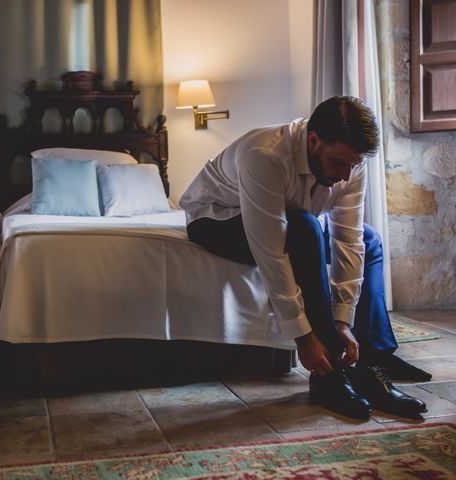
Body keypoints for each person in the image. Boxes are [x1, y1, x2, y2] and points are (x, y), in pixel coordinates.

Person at [180, 96, 431, 420]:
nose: (344, 175)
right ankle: (329, 379)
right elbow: (270, 251)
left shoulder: (351, 162)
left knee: (369, 240)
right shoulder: (264, 154)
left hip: (287, 218)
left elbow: (348, 240)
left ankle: (374, 362)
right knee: (304, 229)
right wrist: (305, 337)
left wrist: (343, 320)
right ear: (314, 142)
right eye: (339, 164)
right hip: (214, 217)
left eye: (351, 165)